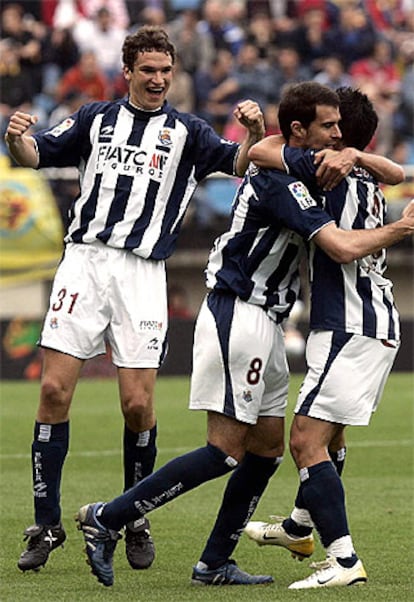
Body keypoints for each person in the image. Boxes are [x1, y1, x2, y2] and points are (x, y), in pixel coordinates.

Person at [74, 82, 414, 588]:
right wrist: (400, 227)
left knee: (268, 449)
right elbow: (336, 240)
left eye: (341, 129)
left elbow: (385, 169)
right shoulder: (282, 177)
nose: (337, 135)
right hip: (238, 310)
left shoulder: (304, 161)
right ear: (300, 130)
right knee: (225, 449)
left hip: (268, 320)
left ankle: (214, 562)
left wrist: (350, 155)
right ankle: (108, 519)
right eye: (329, 127)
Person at [4, 24, 266, 574]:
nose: (157, 79)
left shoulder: (188, 131)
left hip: (144, 273)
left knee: (138, 405)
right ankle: (46, 523)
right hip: (85, 262)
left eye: (166, 71)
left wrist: (254, 131)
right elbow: (33, 154)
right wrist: (14, 136)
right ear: (127, 71)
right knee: (53, 390)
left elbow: (240, 164)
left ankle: (129, 515)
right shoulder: (96, 119)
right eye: (147, 70)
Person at [244, 85, 412, 588]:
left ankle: (343, 560)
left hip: (349, 322)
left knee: (304, 440)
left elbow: (258, 151)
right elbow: (399, 172)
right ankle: (299, 525)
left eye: (336, 126)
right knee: (331, 435)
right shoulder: (366, 175)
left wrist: (334, 152)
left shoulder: (322, 169)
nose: (331, 130)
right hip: (374, 321)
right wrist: (356, 153)